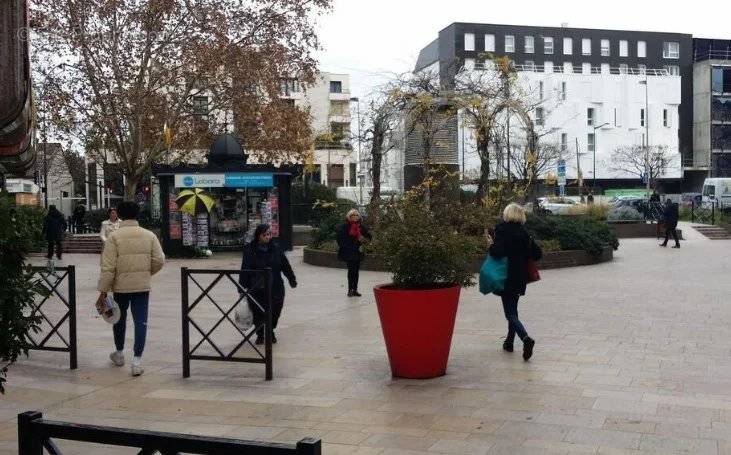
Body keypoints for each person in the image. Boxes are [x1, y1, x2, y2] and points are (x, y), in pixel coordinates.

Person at [97, 201, 165, 376]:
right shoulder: (149, 235)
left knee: (118, 318)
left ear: (119, 214)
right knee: (141, 321)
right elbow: (159, 260)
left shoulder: (114, 237)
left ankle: (119, 353)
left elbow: (108, 267)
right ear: (138, 214)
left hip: (120, 287)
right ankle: (137, 361)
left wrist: (103, 290)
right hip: (142, 286)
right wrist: (146, 273)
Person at [489, 203, 543, 361]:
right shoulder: (525, 234)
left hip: (505, 275)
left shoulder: (502, 230)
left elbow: (497, 252)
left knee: (510, 313)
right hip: (520, 277)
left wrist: (490, 246)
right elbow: (537, 254)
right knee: (513, 309)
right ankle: (509, 342)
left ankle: (526, 338)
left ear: (507, 214)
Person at [239, 224, 297, 345]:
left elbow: (285, 265)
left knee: (275, 309)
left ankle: (270, 329)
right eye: (264, 234)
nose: (267, 237)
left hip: (275, 286)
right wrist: (241, 286)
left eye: (269, 234)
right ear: (258, 235)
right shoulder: (250, 249)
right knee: (258, 311)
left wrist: (292, 279)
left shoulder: (276, 248)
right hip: (256, 287)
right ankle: (261, 334)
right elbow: (245, 268)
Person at [337, 209, 372, 297]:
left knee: (356, 271)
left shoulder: (361, 226)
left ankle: (355, 289)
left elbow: (369, 237)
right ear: (349, 216)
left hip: (357, 251)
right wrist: (346, 247)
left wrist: (363, 239)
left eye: (356, 215)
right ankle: (350, 289)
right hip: (349, 251)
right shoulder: (345, 226)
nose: (355, 217)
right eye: (353, 215)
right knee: (351, 271)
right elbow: (340, 239)